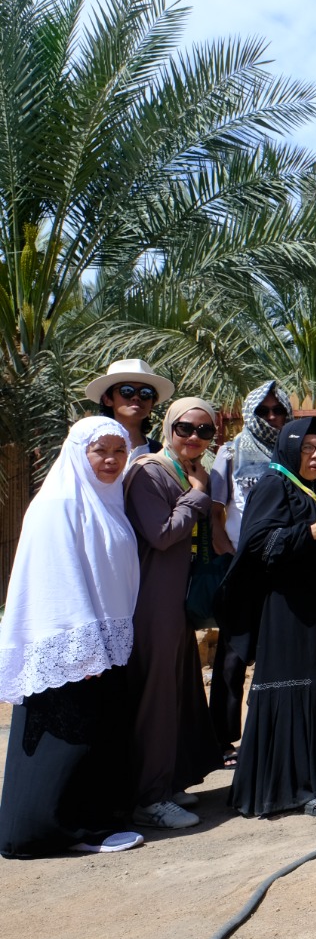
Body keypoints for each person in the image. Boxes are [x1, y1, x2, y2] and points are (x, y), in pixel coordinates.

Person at [0, 418, 143, 858]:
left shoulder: (106, 499)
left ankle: (87, 824)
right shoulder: (59, 502)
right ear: (78, 453)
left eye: (119, 451)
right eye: (101, 451)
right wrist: (81, 651)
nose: (111, 460)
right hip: (72, 643)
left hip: (103, 642)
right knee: (64, 744)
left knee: (94, 740)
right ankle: (47, 832)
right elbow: (54, 578)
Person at [224, 417, 316, 817]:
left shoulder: (311, 487)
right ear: (288, 449)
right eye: (307, 448)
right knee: (292, 690)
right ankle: (297, 790)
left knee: (311, 691)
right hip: (286, 610)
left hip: (313, 607)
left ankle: (313, 779)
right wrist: (311, 533)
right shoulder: (274, 484)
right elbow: (258, 545)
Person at [124, 398, 223, 830]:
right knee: (157, 697)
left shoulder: (188, 470)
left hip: (177, 599)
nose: (195, 437)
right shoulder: (148, 472)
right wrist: (198, 495)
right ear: (168, 427)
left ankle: (171, 779)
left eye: (205, 431)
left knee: (181, 690)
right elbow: (161, 534)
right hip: (153, 600)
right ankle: (150, 797)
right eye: (186, 428)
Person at [207, 380, 292, 751]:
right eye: (263, 411)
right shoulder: (231, 452)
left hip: (284, 564)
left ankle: (269, 735)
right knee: (233, 655)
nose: (272, 417)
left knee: (277, 651)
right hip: (242, 563)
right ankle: (223, 738)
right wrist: (227, 551)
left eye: (278, 410)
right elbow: (216, 511)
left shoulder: (292, 451)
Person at [84, 358, 173, 458]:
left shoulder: (159, 451)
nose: (136, 397)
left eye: (145, 392)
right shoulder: (90, 446)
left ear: (152, 402)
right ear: (107, 399)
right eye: (127, 390)